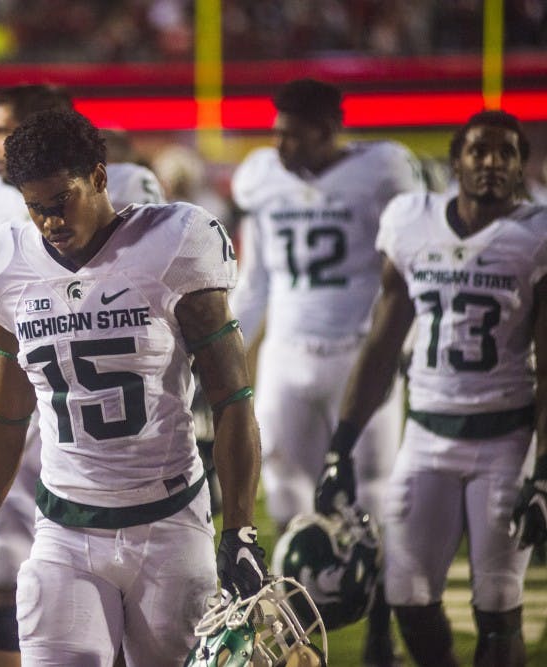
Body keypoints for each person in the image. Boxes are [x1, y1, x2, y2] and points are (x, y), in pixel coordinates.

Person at [0, 108, 268, 666]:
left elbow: (233, 398)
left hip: (169, 523)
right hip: (64, 529)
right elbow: (4, 414)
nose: (50, 221)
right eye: (35, 208)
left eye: (61, 201)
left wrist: (239, 526)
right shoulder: (8, 266)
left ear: (98, 178)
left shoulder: (173, 243)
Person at [0, 84, 164, 667]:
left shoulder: (122, 186)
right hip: (18, 407)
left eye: (4, 130)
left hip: (100, 421)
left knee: (127, 605)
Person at [315, 109, 547, 667]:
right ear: (456, 162)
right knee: (408, 598)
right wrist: (339, 445)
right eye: (479, 151)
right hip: (425, 434)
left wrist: (542, 474)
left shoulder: (535, 235)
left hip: (504, 438)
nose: (491, 162)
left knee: (496, 604)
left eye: (505, 153)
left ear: (521, 168)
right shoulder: (412, 222)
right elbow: (382, 344)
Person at [228, 78, 423, 665]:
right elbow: (256, 278)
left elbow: (402, 273)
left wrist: (405, 347)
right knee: (285, 488)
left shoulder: (384, 170)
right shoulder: (261, 178)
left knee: (375, 494)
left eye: (293, 133)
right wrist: (227, 346)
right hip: (288, 351)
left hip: (358, 353)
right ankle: (298, 638)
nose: (280, 144)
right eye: (277, 131)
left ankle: (379, 630)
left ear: (328, 129)